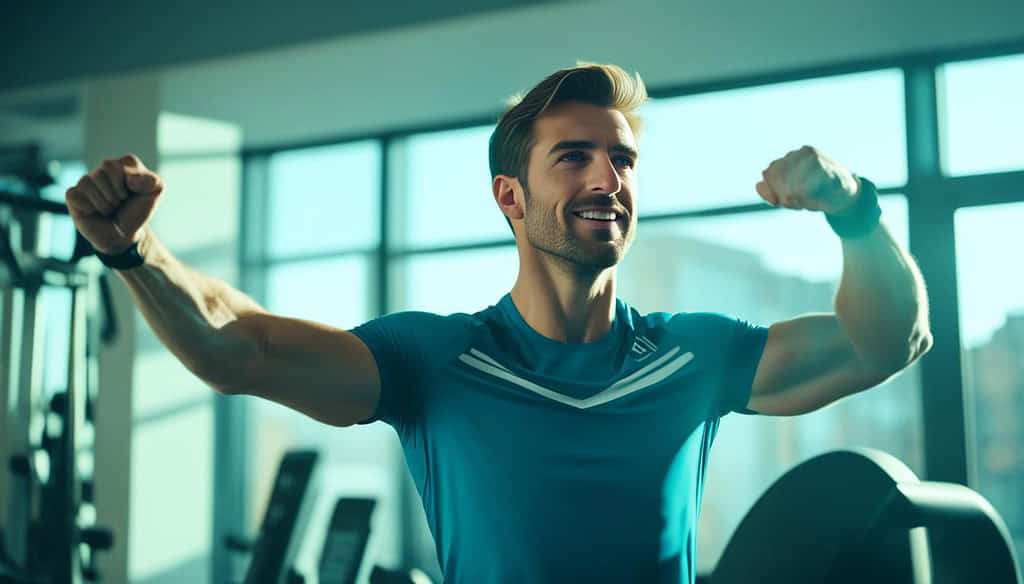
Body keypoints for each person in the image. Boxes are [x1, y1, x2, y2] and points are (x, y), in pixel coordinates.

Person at [65, 63, 933, 583]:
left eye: (623, 159)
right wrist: (137, 252)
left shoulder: (692, 357)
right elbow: (236, 345)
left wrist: (854, 210)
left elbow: (883, 341)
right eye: (576, 156)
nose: (609, 178)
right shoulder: (434, 360)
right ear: (509, 198)